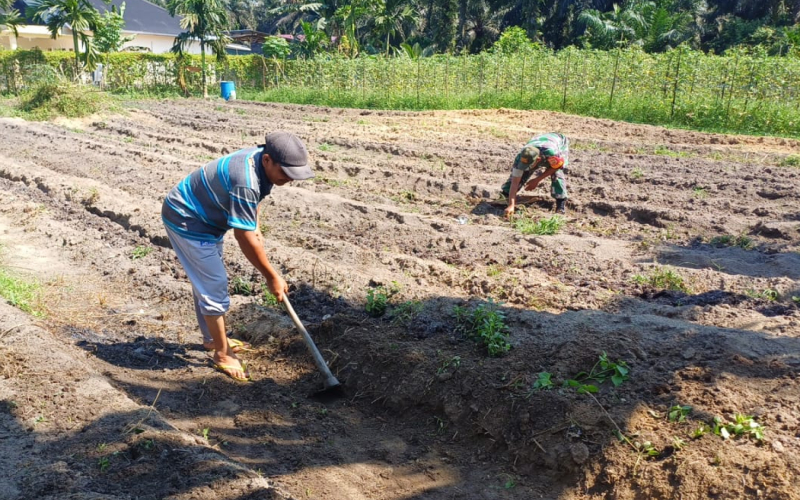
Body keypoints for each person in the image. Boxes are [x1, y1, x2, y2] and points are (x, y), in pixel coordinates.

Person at [161, 131, 314, 382]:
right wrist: (271, 276)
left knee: (208, 282)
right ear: (268, 160)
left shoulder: (259, 161)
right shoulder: (246, 180)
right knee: (214, 284)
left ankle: (213, 339)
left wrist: (255, 225)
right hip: (187, 219)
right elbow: (243, 236)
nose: (289, 179)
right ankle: (222, 354)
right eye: (286, 172)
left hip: (207, 219)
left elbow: (255, 199)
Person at [501, 133, 569, 218]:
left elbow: (557, 166)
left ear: (538, 160)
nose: (526, 167)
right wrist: (511, 205)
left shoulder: (552, 154)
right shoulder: (521, 157)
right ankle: (505, 195)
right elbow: (514, 182)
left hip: (558, 141)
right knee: (521, 174)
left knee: (557, 174)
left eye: (529, 165)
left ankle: (560, 204)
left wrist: (537, 180)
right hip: (539, 142)